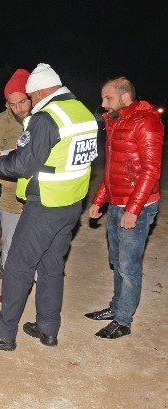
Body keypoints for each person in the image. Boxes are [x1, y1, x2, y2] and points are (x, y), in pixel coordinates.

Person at [0, 63, 98, 350]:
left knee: (17, 266)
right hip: (71, 204)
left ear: (39, 91)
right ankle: (47, 327)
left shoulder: (46, 118)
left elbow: (24, 163)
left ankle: (4, 331)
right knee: (51, 266)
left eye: (31, 96)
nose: (30, 103)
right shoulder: (82, 112)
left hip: (46, 205)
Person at [85, 77, 164, 339]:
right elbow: (113, 170)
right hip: (117, 202)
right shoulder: (116, 121)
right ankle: (116, 307)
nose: (103, 103)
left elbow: (151, 170)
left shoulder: (147, 121)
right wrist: (99, 200)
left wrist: (133, 209)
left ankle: (123, 321)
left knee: (129, 267)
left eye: (108, 98)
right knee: (117, 261)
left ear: (125, 96)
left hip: (137, 207)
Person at [0, 69, 32, 303]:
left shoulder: (43, 118)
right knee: (10, 247)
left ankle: (38, 286)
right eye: (12, 104)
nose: (18, 108)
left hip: (38, 197)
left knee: (37, 246)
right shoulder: (1, 121)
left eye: (22, 101)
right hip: (11, 198)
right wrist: (5, 179)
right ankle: (12, 290)